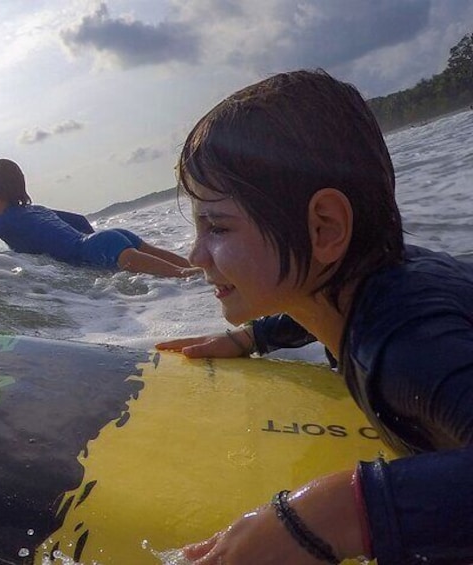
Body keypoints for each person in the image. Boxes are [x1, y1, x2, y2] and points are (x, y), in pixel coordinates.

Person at [156, 69, 473, 563]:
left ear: (324, 228)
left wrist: (328, 516)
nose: (196, 254)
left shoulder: (406, 349)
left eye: (216, 226)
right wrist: (251, 338)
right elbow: (319, 298)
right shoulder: (376, 285)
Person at [0, 158, 198, 278]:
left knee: (177, 278)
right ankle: (199, 270)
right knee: (188, 269)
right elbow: (78, 220)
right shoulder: (36, 210)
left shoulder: (2, 221)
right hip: (111, 237)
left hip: (97, 249)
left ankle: (190, 275)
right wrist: (92, 243)